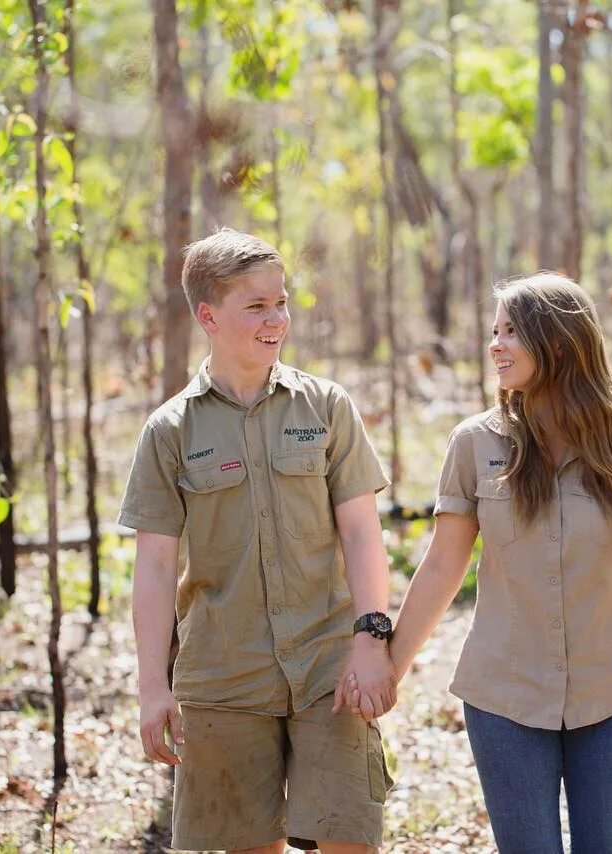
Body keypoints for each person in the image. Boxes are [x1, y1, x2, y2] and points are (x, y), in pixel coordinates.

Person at [381, 273, 612, 853]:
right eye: (494, 331)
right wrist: (389, 670)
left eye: (512, 331)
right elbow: (444, 564)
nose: (495, 344)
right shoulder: (475, 444)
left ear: (561, 341)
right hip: (505, 698)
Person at [118, 228, 395, 854]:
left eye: (282, 302)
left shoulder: (325, 406)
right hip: (223, 679)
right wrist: (152, 689)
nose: (278, 320)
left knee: (351, 839)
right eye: (257, 307)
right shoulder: (169, 430)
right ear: (209, 316)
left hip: (330, 669)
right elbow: (157, 568)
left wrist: (372, 637)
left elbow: (360, 529)